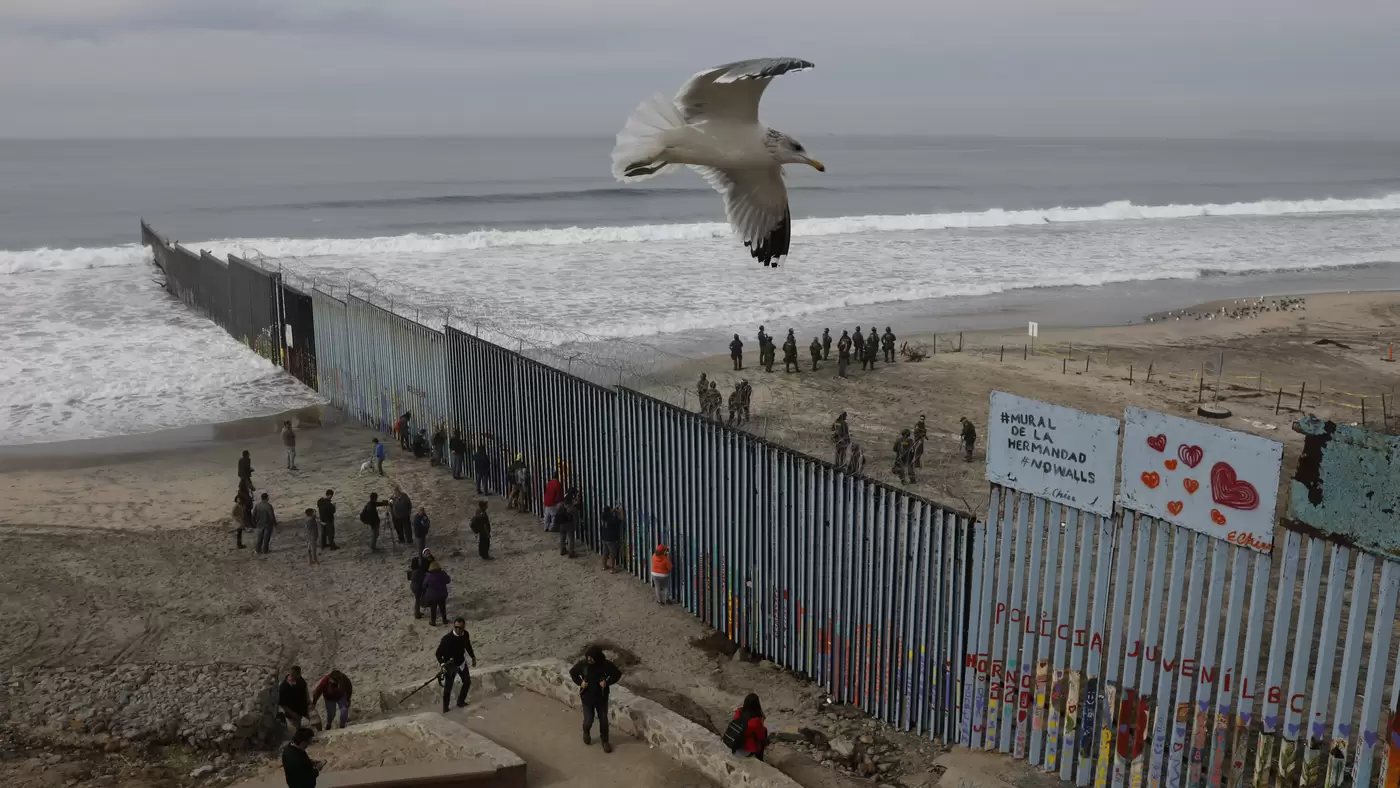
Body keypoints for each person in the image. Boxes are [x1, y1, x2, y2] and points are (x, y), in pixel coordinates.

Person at [569, 646, 623, 754]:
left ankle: (605, 741)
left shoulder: (605, 665)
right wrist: (581, 683)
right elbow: (573, 672)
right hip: (587, 698)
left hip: (601, 698)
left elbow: (617, 674)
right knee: (588, 719)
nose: (589, 659)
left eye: (592, 658)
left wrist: (606, 683)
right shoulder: (583, 665)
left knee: (603, 720)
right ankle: (586, 731)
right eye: (588, 657)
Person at [435, 617, 478, 712]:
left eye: (460, 628)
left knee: (467, 682)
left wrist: (473, 657)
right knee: (448, 688)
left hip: (461, 662)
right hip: (450, 665)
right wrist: (442, 664)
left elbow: (468, 646)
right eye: (456, 627)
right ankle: (445, 708)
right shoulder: (447, 639)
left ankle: (460, 701)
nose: (458, 630)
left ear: (464, 627)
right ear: (454, 627)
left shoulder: (465, 635)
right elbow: (438, 653)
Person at [729, 694, 769, 760]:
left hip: (733, 743)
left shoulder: (738, 712)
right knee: (764, 732)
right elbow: (760, 737)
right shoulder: (756, 722)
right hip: (743, 750)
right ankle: (759, 758)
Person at [276, 666, 312, 730]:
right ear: (293, 674)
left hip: (304, 710)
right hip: (293, 715)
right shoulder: (284, 687)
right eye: (298, 674)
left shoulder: (299, 679)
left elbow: (305, 687)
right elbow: (283, 704)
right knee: (297, 732)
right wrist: (294, 715)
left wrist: (308, 699)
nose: (300, 675)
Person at [421, 560, 452, 625]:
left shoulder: (429, 575)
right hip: (442, 594)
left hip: (433, 595)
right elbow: (448, 580)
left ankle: (433, 622)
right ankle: (444, 620)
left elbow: (424, 585)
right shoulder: (443, 573)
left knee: (433, 609)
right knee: (443, 608)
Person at [409, 548, 433, 619]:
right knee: (420, 598)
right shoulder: (421, 572)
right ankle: (418, 613)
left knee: (417, 599)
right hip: (419, 586)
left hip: (414, 586)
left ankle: (417, 613)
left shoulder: (414, 572)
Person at [599, 504, 623, 573]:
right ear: (609, 512)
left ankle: (604, 566)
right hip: (611, 539)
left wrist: (614, 509)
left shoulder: (603, 517)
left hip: (604, 538)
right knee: (612, 554)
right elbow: (621, 519)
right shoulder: (612, 519)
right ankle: (612, 569)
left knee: (605, 553)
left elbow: (607, 512)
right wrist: (621, 511)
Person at [556, 494, 578, 558]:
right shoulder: (571, 507)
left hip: (561, 524)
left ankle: (562, 550)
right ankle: (571, 553)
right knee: (571, 539)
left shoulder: (561, 505)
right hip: (569, 524)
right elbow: (575, 514)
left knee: (562, 537)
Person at [233, 480, 253, 550]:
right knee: (239, 534)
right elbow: (234, 515)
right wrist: (239, 521)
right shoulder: (237, 507)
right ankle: (239, 545)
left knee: (240, 534)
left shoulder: (241, 506)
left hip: (240, 522)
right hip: (239, 522)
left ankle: (239, 544)